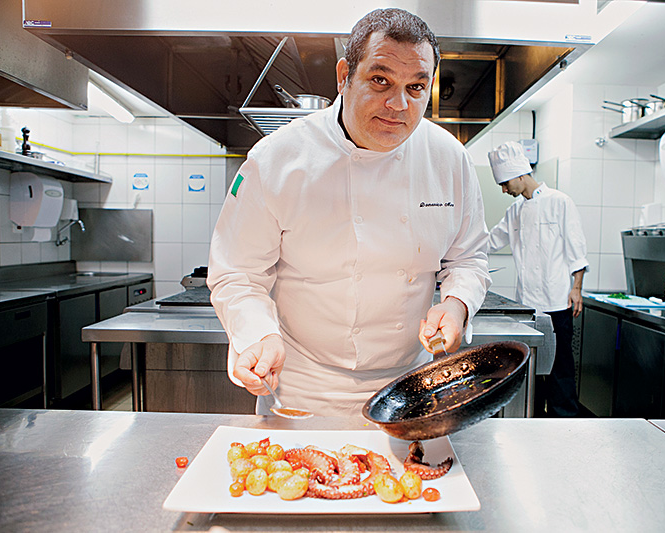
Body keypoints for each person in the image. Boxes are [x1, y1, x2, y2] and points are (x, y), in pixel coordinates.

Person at [208, 8, 491, 417]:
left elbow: (468, 258)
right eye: (380, 80)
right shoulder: (277, 159)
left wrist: (456, 304)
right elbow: (237, 273)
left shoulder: (448, 159)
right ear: (344, 76)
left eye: (416, 87)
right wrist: (256, 334)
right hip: (301, 383)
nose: (398, 104)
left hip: (409, 386)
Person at [487, 141, 588, 417]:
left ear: (521, 174)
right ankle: (532, 420)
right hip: (528, 307)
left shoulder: (559, 201)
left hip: (557, 302)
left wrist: (576, 289)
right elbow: (490, 241)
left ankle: (563, 422)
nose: (504, 190)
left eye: (505, 183)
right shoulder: (515, 211)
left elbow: (576, 249)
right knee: (530, 370)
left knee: (560, 369)